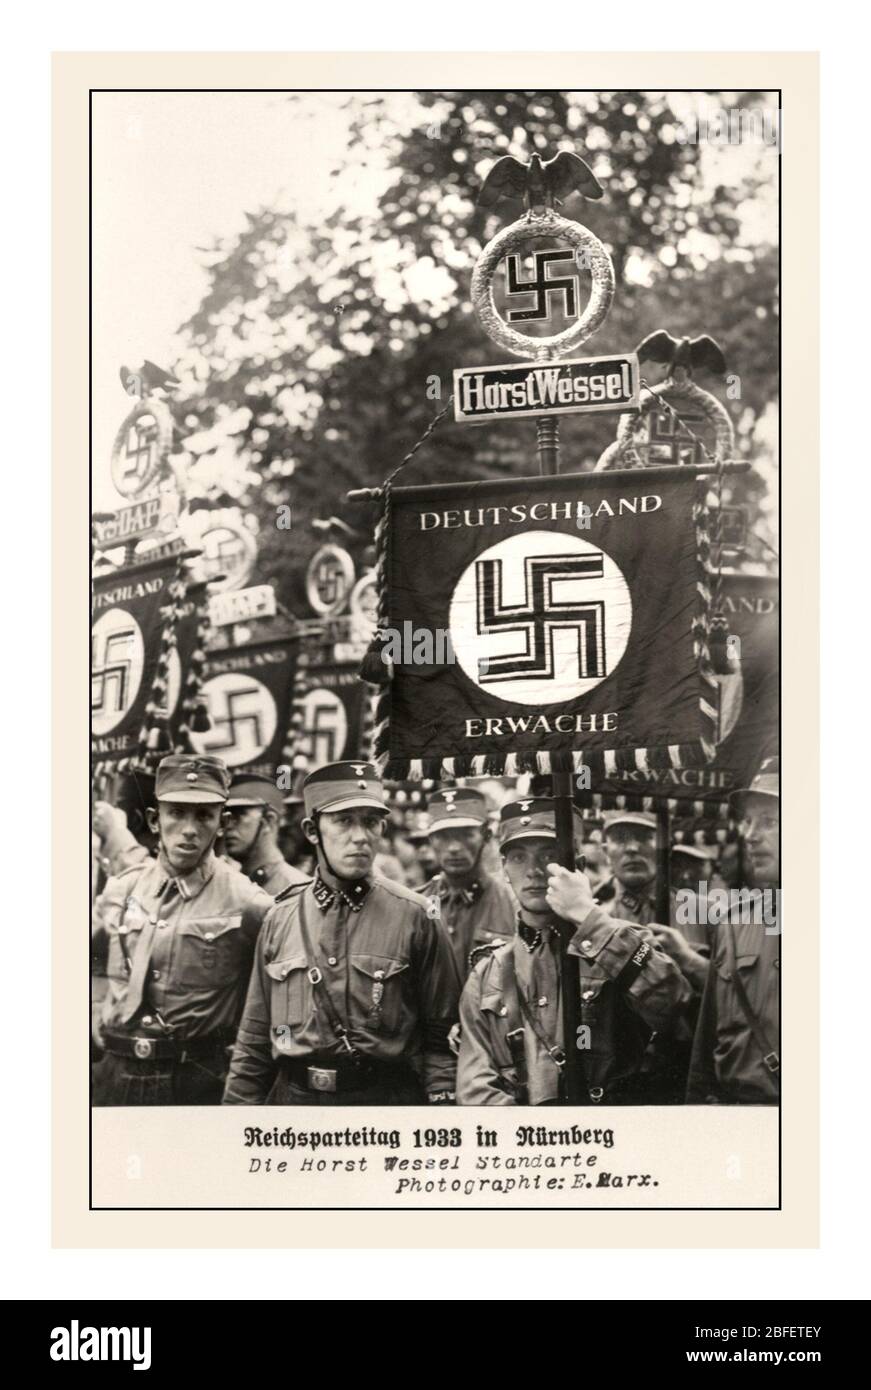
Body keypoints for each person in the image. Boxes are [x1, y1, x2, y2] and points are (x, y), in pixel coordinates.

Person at [223, 760, 459, 1105]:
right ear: (312, 830)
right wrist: (237, 1115)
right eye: (344, 821)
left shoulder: (417, 916)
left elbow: (442, 1041)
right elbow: (255, 1038)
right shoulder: (279, 917)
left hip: (382, 1105)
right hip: (294, 1105)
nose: (360, 836)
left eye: (371, 822)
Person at [456, 798, 694, 1106]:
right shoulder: (488, 972)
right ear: (504, 869)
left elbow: (673, 1003)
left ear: (577, 866)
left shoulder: (620, 939)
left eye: (549, 855)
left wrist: (587, 916)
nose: (534, 871)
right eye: (518, 857)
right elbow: (474, 1087)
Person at [92, 754, 272, 1105]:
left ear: (223, 822)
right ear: (154, 820)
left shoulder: (248, 901)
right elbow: (93, 963)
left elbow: (267, 999)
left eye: (204, 815)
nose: (190, 829)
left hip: (194, 1080)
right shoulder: (124, 888)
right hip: (114, 1074)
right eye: (177, 812)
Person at [686, 758, 780, 1104]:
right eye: (748, 822)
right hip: (739, 1119)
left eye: (769, 822)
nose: (750, 836)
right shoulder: (734, 923)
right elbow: (705, 1047)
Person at [421, 787, 516, 986]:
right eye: (443, 836)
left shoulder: (512, 903)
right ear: (430, 840)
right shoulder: (420, 904)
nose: (454, 847)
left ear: (487, 836)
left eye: (466, 835)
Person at [223, 772, 310, 895]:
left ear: (269, 820)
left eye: (238, 815)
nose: (228, 826)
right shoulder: (228, 884)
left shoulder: (299, 890)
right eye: (226, 817)